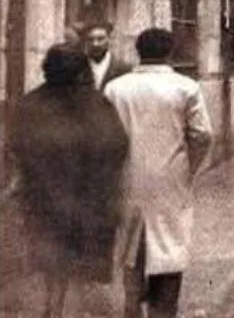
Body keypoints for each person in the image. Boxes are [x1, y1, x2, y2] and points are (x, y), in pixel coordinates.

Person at [6, 43, 129, 318]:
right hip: (88, 200)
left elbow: (15, 146)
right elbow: (117, 145)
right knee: (83, 265)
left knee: (52, 260)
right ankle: (74, 310)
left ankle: (54, 307)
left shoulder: (30, 103)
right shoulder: (96, 103)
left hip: (43, 199)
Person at [104, 28, 214, 318]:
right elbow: (202, 135)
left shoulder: (115, 89)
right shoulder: (185, 87)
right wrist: (189, 167)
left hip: (128, 180)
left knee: (131, 251)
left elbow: (107, 139)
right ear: (170, 52)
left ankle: (133, 310)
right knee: (168, 252)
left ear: (139, 51)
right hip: (170, 181)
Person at [84, 19, 132, 90]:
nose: (95, 44)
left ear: (109, 39)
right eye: (90, 39)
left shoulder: (123, 68)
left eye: (100, 39)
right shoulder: (78, 68)